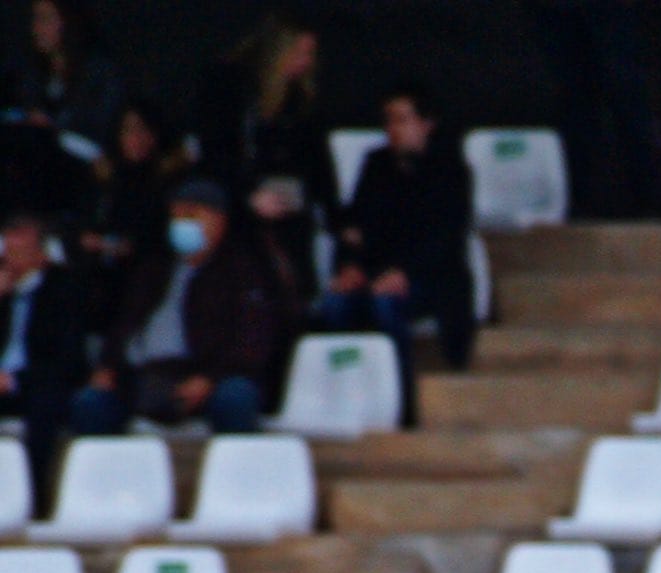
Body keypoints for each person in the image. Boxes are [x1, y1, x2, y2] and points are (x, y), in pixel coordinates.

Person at [70, 177, 288, 436]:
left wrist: (210, 379)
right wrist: (108, 366)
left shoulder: (242, 272)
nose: (183, 223)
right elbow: (123, 324)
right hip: (143, 377)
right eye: (177, 216)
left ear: (219, 221)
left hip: (208, 376)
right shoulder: (154, 270)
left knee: (235, 397)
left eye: (192, 215)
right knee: (91, 403)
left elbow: (252, 340)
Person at [316, 82, 474, 426]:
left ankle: (401, 406)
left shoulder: (451, 172)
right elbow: (355, 225)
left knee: (387, 307)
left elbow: (445, 239)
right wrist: (350, 266)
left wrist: (404, 272)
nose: (393, 129)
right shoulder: (375, 166)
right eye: (389, 120)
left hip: (429, 278)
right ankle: (347, 400)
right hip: (376, 272)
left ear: (425, 124)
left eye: (402, 119)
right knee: (336, 305)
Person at [194, 10, 334, 305]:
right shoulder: (231, 87)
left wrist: (335, 215)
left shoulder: (299, 101)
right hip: (238, 202)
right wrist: (248, 194)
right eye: (299, 53)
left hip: (287, 204)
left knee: (293, 271)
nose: (306, 62)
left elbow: (318, 163)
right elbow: (217, 153)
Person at [526, 0, 656, 217]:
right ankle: (576, 202)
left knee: (624, 93)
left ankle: (647, 199)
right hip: (556, 11)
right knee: (573, 102)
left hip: (609, 10)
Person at [0, 210, 88, 509]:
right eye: (7, 251)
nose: (11, 260)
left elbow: (68, 359)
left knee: (45, 404)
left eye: (19, 252)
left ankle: (32, 499)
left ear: (40, 255)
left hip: (37, 383)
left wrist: (13, 380)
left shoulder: (62, 291)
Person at [77, 98, 188, 332]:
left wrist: (134, 247)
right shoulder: (102, 179)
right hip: (97, 284)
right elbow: (80, 223)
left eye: (144, 130)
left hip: (146, 286)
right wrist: (87, 240)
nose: (137, 139)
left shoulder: (170, 183)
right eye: (129, 130)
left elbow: (171, 240)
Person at [5, 0, 123, 216]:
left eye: (45, 19)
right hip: (38, 173)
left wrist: (52, 130)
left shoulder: (99, 75)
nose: (36, 29)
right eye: (35, 20)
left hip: (84, 175)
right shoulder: (34, 76)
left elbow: (99, 134)